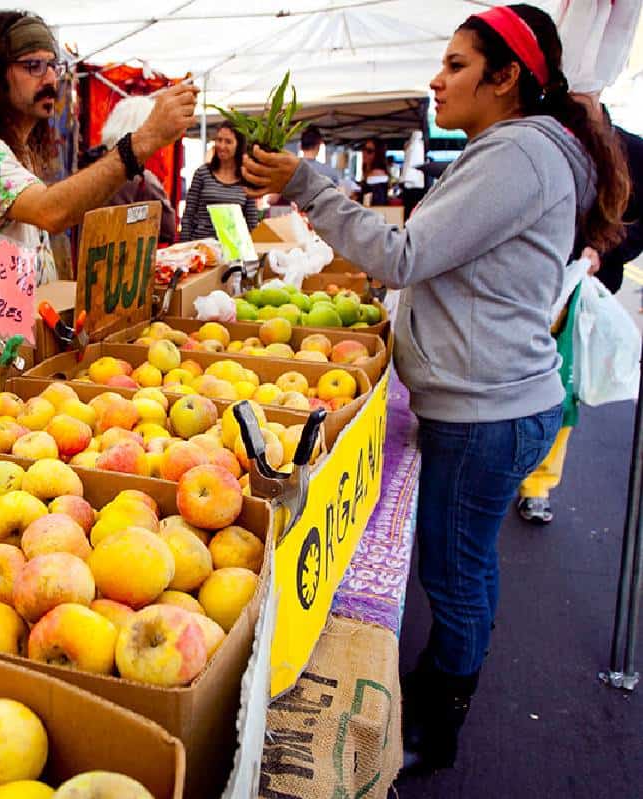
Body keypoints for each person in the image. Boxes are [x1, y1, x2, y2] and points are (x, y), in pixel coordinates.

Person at [241, 2, 629, 776]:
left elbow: (403, 253)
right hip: (493, 399)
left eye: (456, 65)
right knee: (465, 563)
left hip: (486, 410)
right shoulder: (523, 148)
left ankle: (439, 723)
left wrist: (310, 185)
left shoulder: (519, 154)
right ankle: (439, 689)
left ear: (507, 77)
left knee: (456, 573)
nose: (437, 77)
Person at [0, 11, 197, 284]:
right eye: (33, 65)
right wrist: (143, 140)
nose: (50, 79)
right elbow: (50, 212)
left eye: (52, 66)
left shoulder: (15, 148)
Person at [517, 97, 643, 523]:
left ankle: (539, 483)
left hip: (583, 292)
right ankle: (513, 466)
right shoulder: (543, 142)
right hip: (535, 282)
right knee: (518, 378)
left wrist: (604, 252)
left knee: (562, 387)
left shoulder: (633, 151)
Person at [84, 95, 178, 245]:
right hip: (122, 260)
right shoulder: (141, 178)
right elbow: (168, 228)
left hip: (86, 258)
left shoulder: (89, 164)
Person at [179, 122, 259, 241]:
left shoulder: (246, 178)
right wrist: (184, 246)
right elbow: (188, 215)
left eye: (228, 141)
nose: (221, 145)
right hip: (201, 249)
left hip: (234, 252)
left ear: (239, 146)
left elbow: (251, 222)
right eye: (219, 140)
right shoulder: (202, 173)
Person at [358, 137, 390, 205]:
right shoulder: (370, 172)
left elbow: (378, 201)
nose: (364, 153)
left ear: (378, 154)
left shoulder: (377, 173)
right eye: (364, 149)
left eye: (369, 151)